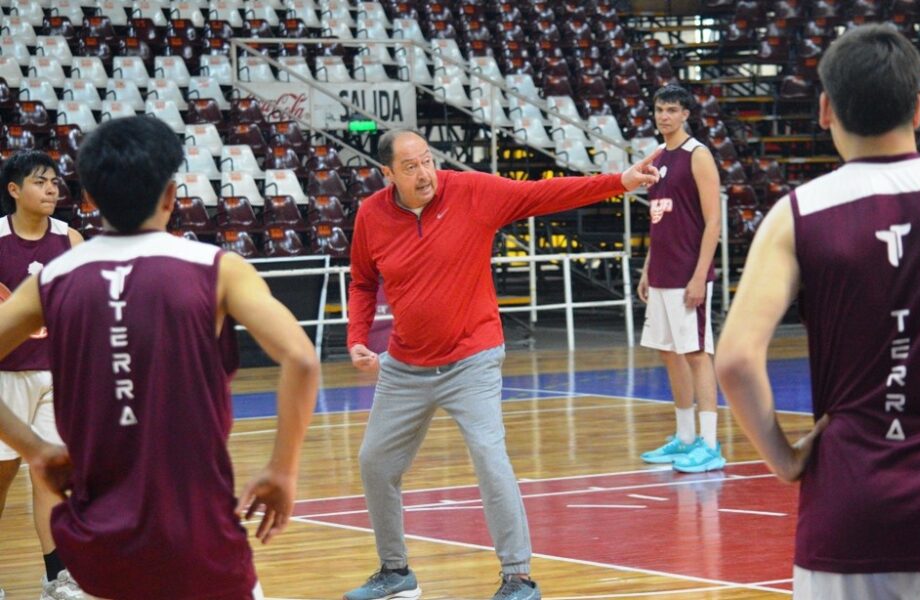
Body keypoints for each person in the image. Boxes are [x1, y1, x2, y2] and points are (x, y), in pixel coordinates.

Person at [715, 24, 920, 599]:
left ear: (825, 108)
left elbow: (736, 362)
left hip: (847, 506)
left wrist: (785, 461)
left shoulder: (796, 213)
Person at [0, 116, 320, 600]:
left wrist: (35, 450)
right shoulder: (219, 269)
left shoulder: (53, 279)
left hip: (99, 552)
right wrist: (282, 470)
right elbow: (302, 359)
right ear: (171, 195)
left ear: (89, 200)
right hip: (201, 538)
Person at [345, 129, 661, 600]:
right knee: (374, 463)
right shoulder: (371, 214)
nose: (424, 173)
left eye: (427, 160)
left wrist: (620, 180)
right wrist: (357, 337)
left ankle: (518, 576)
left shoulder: (473, 191)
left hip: (472, 358)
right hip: (405, 366)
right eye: (409, 167)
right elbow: (363, 282)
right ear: (386, 173)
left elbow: (544, 193)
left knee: (491, 460)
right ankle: (395, 572)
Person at [0, 150, 84, 599]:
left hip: (57, 376)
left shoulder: (70, 239)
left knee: (50, 475)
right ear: (14, 190)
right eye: (40, 181)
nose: (51, 188)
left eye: (54, 181)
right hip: (4, 377)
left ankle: (58, 575)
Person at [636, 84, 725, 473]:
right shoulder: (657, 157)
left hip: (689, 272)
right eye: (659, 109)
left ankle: (709, 444)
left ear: (686, 114)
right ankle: (685, 437)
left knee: (696, 353)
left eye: (672, 110)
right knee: (669, 353)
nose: (664, 116)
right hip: (661, 272)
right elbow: (660, 217)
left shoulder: (698, 155)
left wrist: (699, 274)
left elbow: (713, 221)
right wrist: (647, 267)